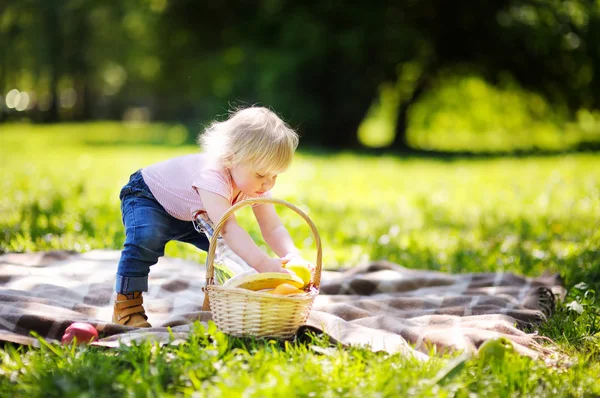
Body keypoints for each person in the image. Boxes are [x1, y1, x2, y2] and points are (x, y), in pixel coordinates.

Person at [112, 106, 311, 327]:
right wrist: (263, 263)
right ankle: (127, 304)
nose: (268, 183)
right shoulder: (212, 176)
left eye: (275, 175)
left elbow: (272, 227)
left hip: (193, 213)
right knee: (147, 238)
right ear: (231, 158)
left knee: (230, 255)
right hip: (149, 198)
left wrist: (292, 254)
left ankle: (217, 304)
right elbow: (227, 228)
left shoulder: (255, 183)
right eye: (262, 174)